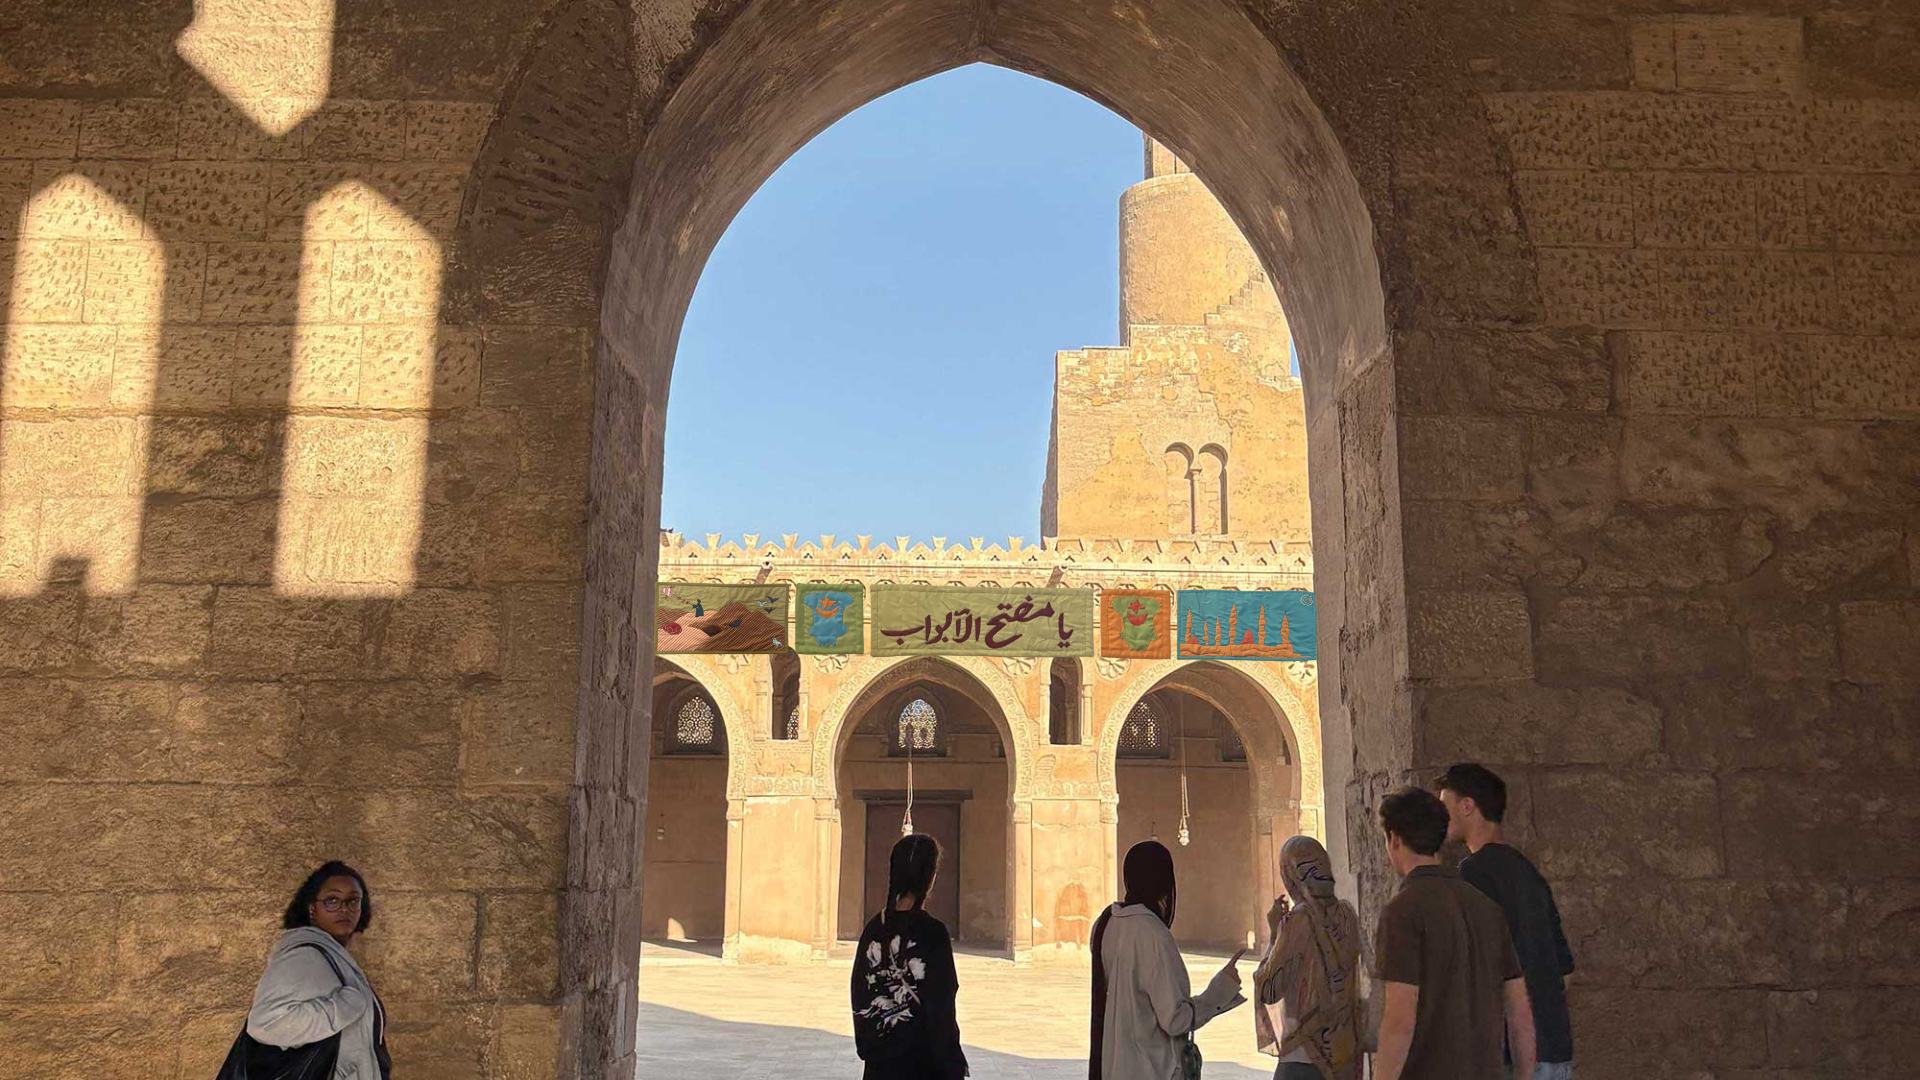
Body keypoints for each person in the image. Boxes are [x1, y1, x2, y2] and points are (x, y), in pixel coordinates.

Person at [1372, 788, 1534, 1080]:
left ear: (1394, 839)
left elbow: (1399, 1021)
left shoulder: (1402, 911)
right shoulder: (1487, 908)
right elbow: (1520, 1013)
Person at [1436, 764, 1575, 1079]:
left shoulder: (1473, 874)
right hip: (1553, 1051)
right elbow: (1564, 973)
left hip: (1509, 1055)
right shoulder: (1529, 874)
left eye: (1444, 806)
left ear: (1467, 806)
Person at [1089, 839, 1246, 1080]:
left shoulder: (1105, 923)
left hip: (1113, 1067)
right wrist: (1221, 988)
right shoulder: (1153, 934)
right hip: (1150, 1069)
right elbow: (1175, 1020)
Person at [247, 861, 391, 1080]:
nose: (344, 908)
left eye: (353, 901)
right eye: (332, 900)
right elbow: (265, 1023)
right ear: (312, 908)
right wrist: (343, 1007)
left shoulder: (333, 956)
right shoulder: (304, 956)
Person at [851, 833, 968, 1080]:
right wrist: (952, 1066)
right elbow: (941, 1007)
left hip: (880, 1068)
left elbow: (860, 994)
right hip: (924, 1067)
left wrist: (871, 1050)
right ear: (930, 878)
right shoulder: (933, 934)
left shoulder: (874, 929)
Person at [1252, 835, 1365, 1080]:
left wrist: (1275, 935)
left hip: (1303, 1055)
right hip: (1341, 1053)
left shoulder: (1297, 921)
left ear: (1290, 875)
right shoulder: (1346, 916)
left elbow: (1269, 989)